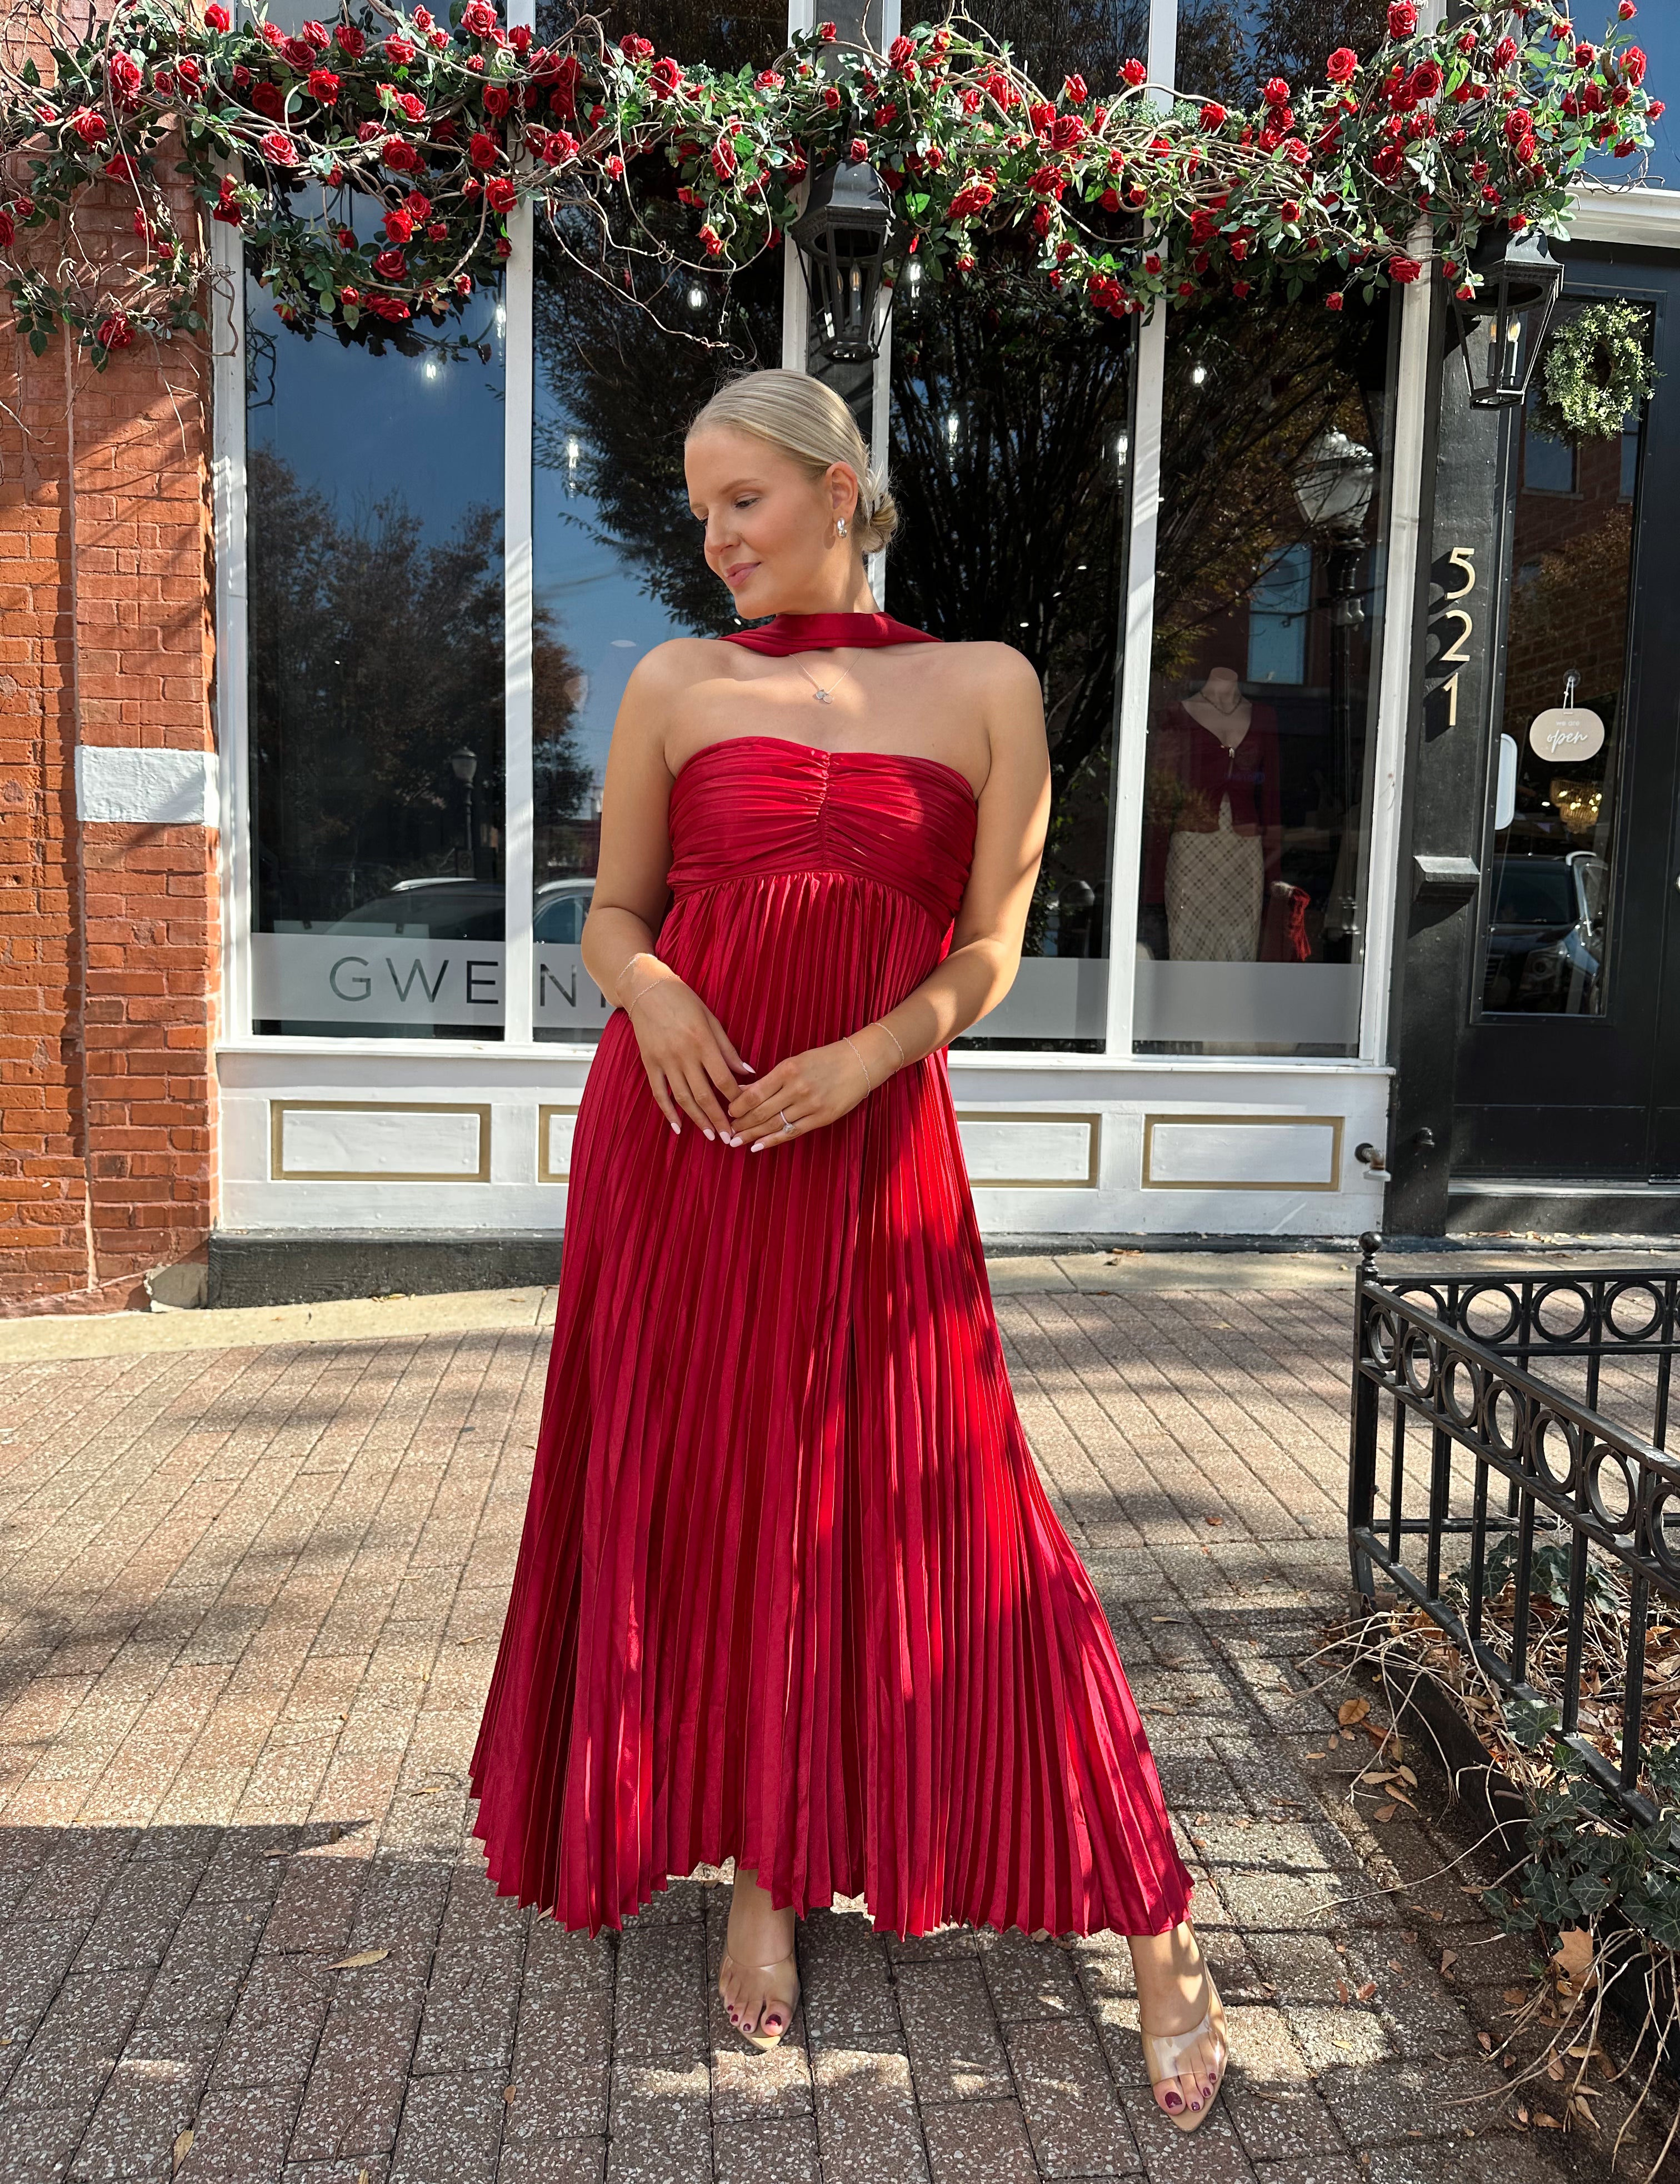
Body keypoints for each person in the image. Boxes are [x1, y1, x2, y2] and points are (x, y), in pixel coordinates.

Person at [469, 368, 1228, 2130]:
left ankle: (1154, 1907)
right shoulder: (674, 683)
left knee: (963, 1506)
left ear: (837, 487)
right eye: (699, 508)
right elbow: (611, 914)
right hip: (683, 1146)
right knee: (717, 1488)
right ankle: (760, 1864)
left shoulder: (987, 686)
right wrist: (652, 991)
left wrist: (882, 1048)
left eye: (740, 499)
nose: (713, 536)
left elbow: (994, 945)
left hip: (874, 1147)